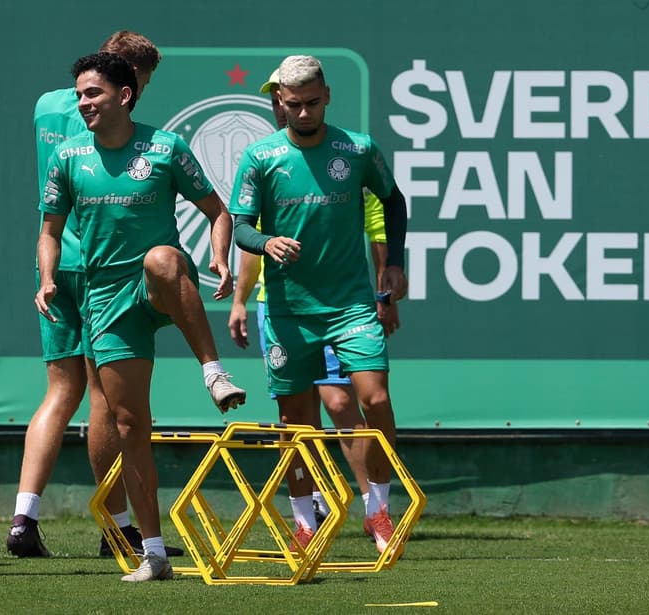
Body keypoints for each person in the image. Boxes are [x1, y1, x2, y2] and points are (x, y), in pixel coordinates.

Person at [36, 52, 246, 581]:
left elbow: (218, 210)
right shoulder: (68, 156)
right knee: (131, 425)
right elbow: (50, 231)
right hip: (105, 299)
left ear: (123, 96)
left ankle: (213, 371)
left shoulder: (165, 146)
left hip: (157, 285)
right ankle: (153, 553)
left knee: (162, 256)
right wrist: (47, 277)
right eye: (80, 94)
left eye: (93, 94)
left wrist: (221, 259)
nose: (82, 103)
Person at [8, 31, 184, 560]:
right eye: (138, 82)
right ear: (121, 78)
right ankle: (118, 527)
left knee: (59, 393)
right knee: (105, 396)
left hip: (54, 260)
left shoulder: (46, 105)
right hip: (99, 264)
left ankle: (23, 517)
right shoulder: (102, 117)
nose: (139, 93)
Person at [229, 55, 408, 554]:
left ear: (327, 95)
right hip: (288, 310)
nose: (303, 113)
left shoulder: (356, 149)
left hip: (350, 304)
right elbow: (240, 224)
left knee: (373, 400)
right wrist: (265, 243)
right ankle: (304, 521)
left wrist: (394, 261)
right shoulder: (260, 157)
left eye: (311, 102)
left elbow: (393, 201)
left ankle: (379, 508)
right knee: (295, 422)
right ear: (280, 103)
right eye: (292, 105)